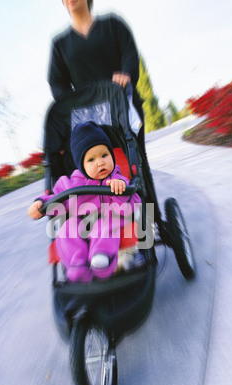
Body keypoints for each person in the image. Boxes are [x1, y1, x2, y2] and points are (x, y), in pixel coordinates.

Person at [28, 121, 141, 283]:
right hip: (83, 224)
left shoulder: (117, 179)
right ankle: (77, 266)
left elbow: (129, 208)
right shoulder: (70, 184)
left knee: (105, 224)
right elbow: (55, 198)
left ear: (111, 155)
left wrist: (120, 191)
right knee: (67, 227)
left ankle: (101, 258)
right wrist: (40, 204)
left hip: (111, 219)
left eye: (104, 155)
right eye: (91, 160)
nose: (100, 162)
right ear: (81, 165)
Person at [49, 0, 145, 151]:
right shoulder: (59, 44)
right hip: (90, 122)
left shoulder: (113, 23)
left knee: (135, 166)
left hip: (123, 109)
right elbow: (57, 83)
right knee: (101, 171)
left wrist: (126, 75)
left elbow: (130, 54)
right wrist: (73, 103)